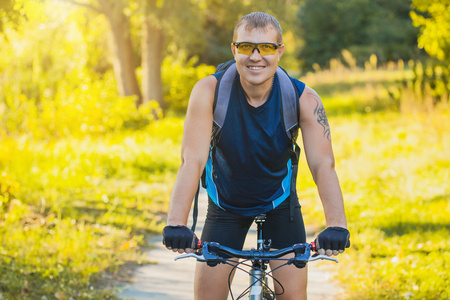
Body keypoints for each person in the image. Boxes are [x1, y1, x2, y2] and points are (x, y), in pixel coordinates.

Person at [162, 12, 350, 300]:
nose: (256, 57)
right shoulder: (209, 91)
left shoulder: (304, 99)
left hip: (280, 204)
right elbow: (192, 159)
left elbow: (323, 164)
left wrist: (337, 225)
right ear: (234, 49)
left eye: (266, 47)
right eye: (247, 46)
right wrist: (177, 222)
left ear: (280, 52)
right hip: (225, 205)